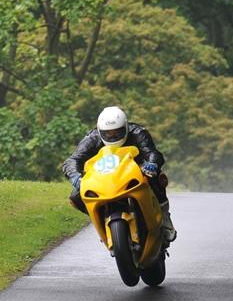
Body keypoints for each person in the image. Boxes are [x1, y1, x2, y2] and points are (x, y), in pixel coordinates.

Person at [62, 106, 177, 248]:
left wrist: (152, 163)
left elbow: (153, 152)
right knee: (76, 197)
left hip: (136, 171)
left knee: (157, 177)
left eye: (117, 132)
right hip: (105, 176)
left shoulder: (138, 132)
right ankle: (102, 221)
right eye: (108, 134)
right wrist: (75, 177)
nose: (112, 136)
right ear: (100, 131)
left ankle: (164, 217)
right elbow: (72, 160)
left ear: (126, 127)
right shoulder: (92, 139)